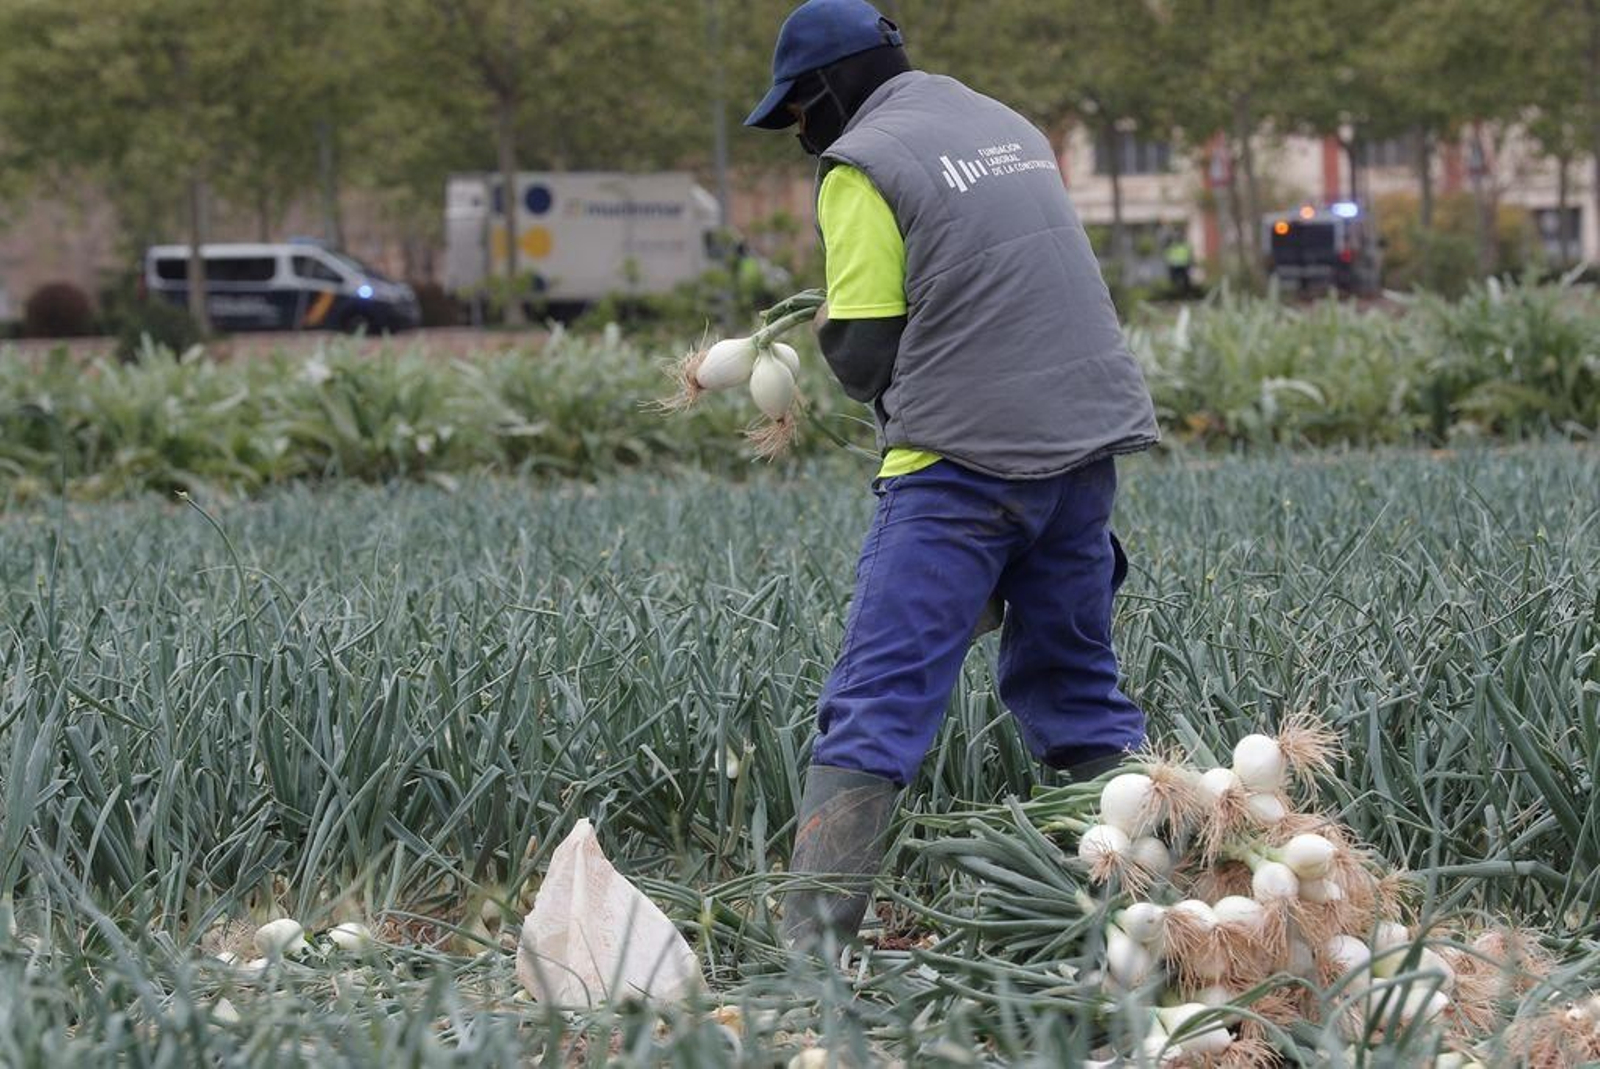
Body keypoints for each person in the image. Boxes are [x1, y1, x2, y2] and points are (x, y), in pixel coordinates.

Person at [744, 0, 1161, 953]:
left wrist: (818, 336)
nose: (802, 140)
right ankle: (1135, 922)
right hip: (1082, 451)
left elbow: (859, 347)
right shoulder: (1003, 124)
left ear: (827, 88)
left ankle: (810, 955)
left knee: (879, 696)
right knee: (1077, 688)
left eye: (797, 116)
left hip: (962, 468)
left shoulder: (863, 163)